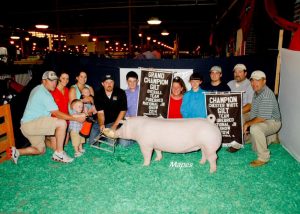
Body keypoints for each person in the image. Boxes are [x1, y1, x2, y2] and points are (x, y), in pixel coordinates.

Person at [7, 71, 85, 164]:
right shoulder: (45, 94)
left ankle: (17, 152)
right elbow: (57, 114)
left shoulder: (37, 88)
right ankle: (59, 154)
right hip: (31, 124)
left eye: (55, 81)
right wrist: (75, 118)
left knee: (41, 150)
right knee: (62, 123)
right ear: (44, 81)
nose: (54, 83)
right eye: (51, 81)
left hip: (27, 126)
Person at [243, 70, 281, 167]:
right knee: (254, 147)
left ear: (264, 81)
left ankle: (264, 158)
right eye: (252, 81)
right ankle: (270, 138)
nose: (254, 83)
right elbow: (254, 109)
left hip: (272, 122)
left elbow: (261, 118)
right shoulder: (257, 91)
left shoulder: (266, 94)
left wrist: (247, 124)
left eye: (257, 80)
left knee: (255, 128)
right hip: (262, 117)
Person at [89, 74, 127, 146]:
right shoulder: (98, 94)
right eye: (106, 82)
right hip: (101, 121)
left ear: (114, 83)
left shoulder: (121, 92)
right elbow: (100, 112)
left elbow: (123, 111)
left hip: (114, 121)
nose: (109, 84)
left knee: (113, 144)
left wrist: (115, 125)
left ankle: (115, 136)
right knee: (92, 143)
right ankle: (105, 135)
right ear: (102, 84)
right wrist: (101, 124)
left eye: (111, 82)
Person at [227, 63, 254, 152]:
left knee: (239, 117)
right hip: (232, 110)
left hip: (246, 112)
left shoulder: (250, 85)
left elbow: (250, 105)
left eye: (240, 71)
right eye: (235, 72)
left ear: (245, 74)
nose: (237, 74)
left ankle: (237, 144)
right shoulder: (229, 84)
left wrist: (236, 112)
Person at [50, 72, 70, 146]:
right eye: (63, 78)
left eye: (67, 79)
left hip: (66, 120)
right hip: (56, 120)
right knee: (55, 147)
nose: (65, 80)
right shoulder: (52, 91)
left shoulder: (67, 90)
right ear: (58, 79)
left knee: (65, 144)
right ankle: (46, 140)